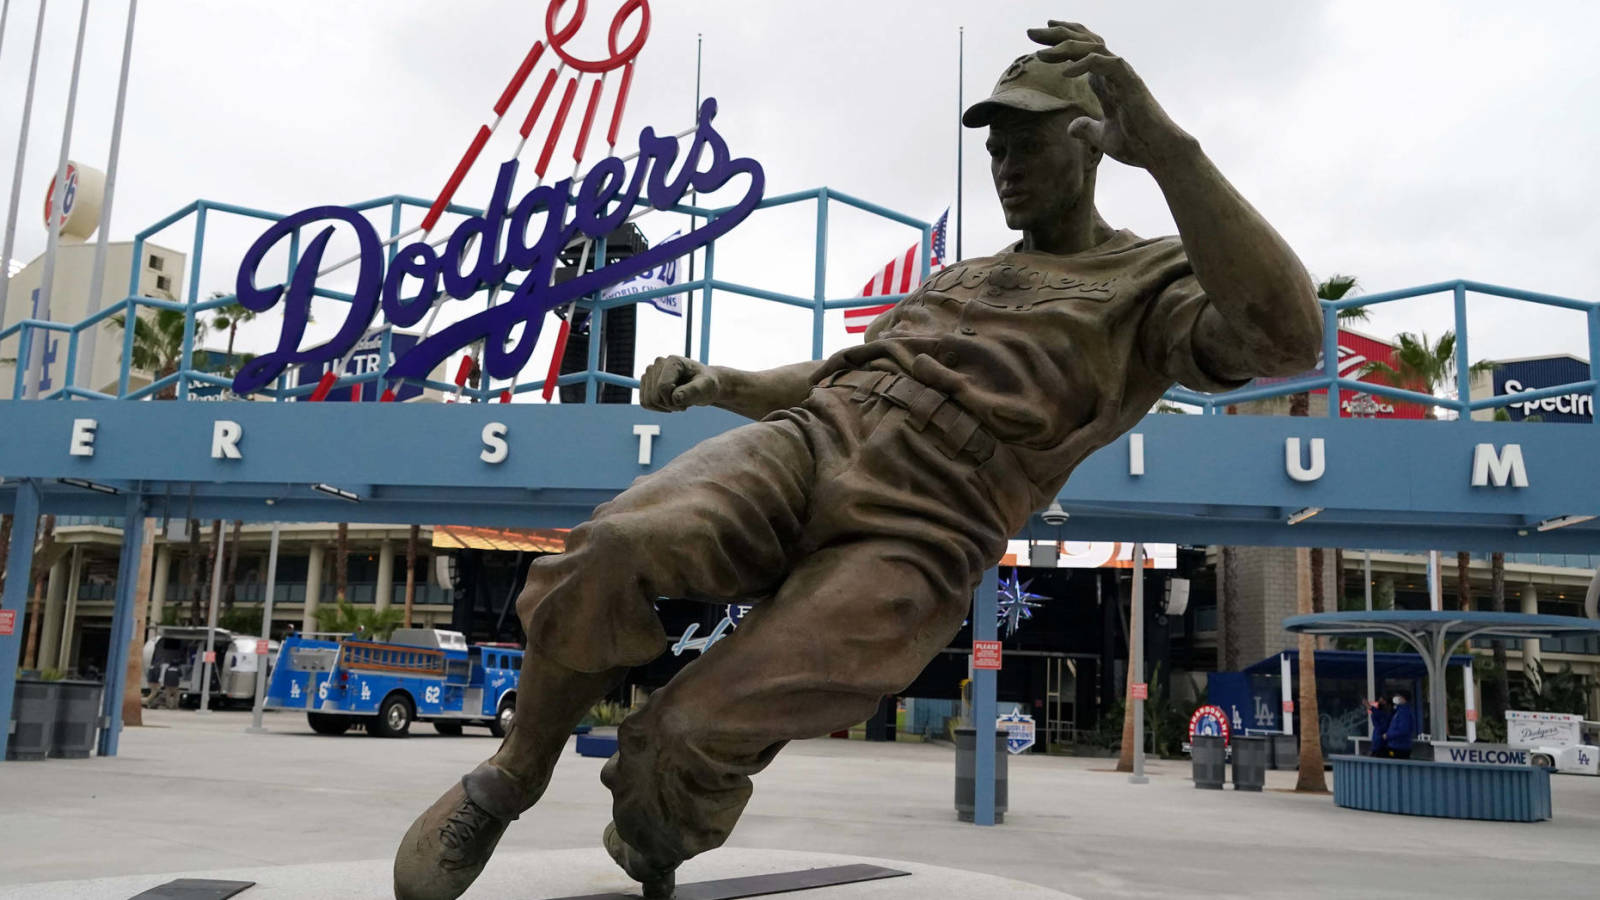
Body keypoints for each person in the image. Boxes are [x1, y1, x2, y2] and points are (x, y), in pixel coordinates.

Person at [394, 20, 1321, 900]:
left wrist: (1170, 151)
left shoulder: (1149, 281)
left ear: (1092, 144)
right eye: (994, 147)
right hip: (817, 439)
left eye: (1026, 143)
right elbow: (844, 373)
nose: (1004, 166)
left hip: (926, 522)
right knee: (613, 546)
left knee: (685, 737)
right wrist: (723, 380)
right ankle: (513, 774)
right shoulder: (961, 274)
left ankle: (655, 825)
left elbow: (1285, 336)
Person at [1383, 690, 1416, 759]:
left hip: (1399, 747)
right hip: (1395, 746)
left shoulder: (1404, 712)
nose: (1396, 698)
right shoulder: (1399, 711)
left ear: (1403, 698)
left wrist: (1388, 735)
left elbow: (1403, 730)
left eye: (1398, 696)